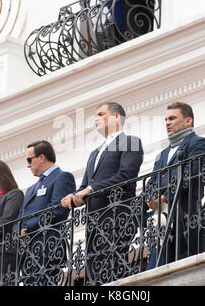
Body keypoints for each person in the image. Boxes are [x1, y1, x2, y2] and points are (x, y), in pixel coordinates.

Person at [61, 101, 144, 285]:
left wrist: (90, 190)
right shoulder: (95, 153)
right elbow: (86, 184)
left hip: (117, 215)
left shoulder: (130, 141)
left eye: (101, 114)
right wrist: (74, 196)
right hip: (95, 219)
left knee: (114, 266)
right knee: (96, 270)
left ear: (116, 117)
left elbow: (126, 175)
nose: (96, 119)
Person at [145, 102, 205, 270]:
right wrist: (151, 199)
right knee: (155, 272)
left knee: (184, 270)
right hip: (162, 223)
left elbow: (190, 174)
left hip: (187, 220)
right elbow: (152, 183)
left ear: (188, 121)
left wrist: (164, 196)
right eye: (166, 119)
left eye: (172, 118)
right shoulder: (162, 155)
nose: (167, 122)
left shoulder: (198, 143)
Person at [16, 140, 76, 285]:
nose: (28, 164)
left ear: (42, 157)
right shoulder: (31, 189)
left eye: (29, 160)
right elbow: (21, 215)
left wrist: (26, 228)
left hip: (48, 245)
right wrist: (17, 231)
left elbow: (57, 210)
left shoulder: (62, 177)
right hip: (29, 250)